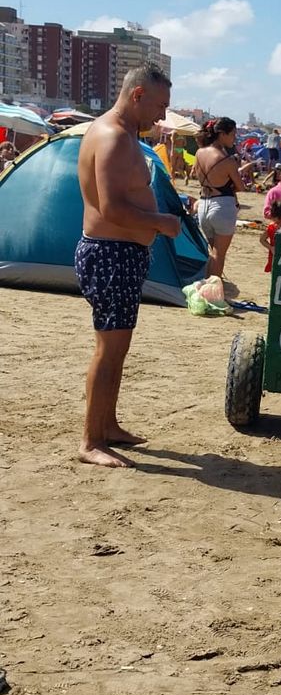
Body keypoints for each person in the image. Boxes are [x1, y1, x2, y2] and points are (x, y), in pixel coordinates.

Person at [74, 63, 180, 469]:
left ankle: (108, 425)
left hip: (118, 254)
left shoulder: (121, 133)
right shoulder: (115, 137)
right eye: (159, 105)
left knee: (117, 349)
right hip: (110, 254)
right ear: (138, 96)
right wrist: (162, 223)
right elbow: (112, 207)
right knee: (109, 349)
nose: (162, 115)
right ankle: (91, 440)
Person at [194, 117, 245, 278]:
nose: (234, 138)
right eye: (233, 134)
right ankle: (211, 294)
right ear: (222, 134)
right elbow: (241, 187)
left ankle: (206, 289)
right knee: (219, 255)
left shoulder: (199, 153)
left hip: (203, 205)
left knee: (212, 253)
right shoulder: (226, 160)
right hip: (222, 206)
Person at [260, 198, 281, 273]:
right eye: (277, 221)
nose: (279, 224)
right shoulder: (272, 227)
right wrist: (271, 247)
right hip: (274, 258)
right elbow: (262, 239)